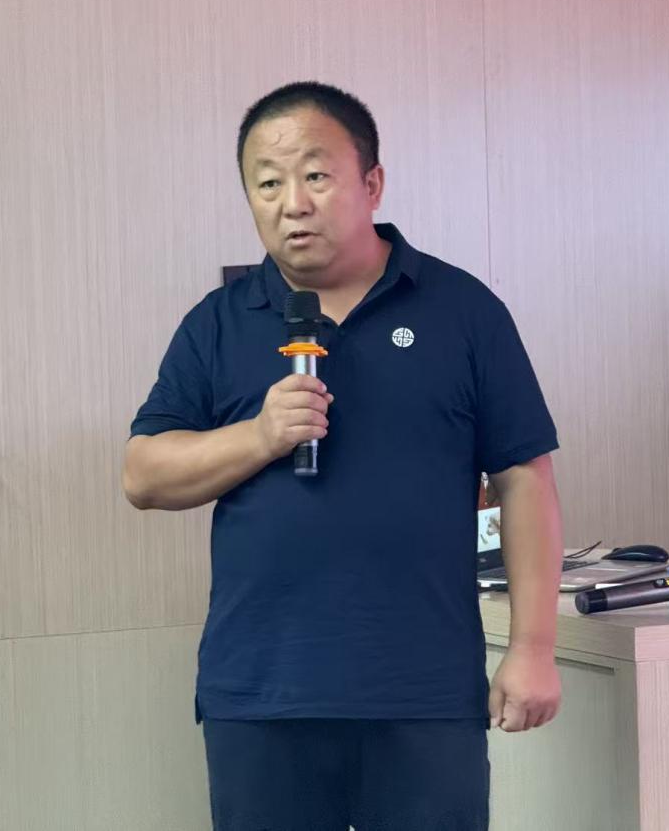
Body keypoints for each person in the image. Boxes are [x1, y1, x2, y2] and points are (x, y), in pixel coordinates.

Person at [123, 81, 564, 831]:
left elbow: (524, 479)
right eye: (267, 184)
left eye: (316, 176)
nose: (292, 204)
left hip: (423, 692)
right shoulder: (218, 323)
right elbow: (142, 474)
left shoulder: (463, 310)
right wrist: (261, 435)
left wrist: (533, 647)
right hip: (263, 692)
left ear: (372, 183)